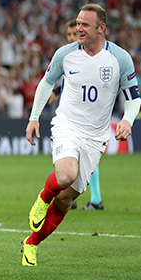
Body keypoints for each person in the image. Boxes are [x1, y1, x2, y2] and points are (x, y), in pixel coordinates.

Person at [23, 4, 141, 266]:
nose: (79, 28)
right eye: (78, 23)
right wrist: (33, 118)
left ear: (101, 28)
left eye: (85, 24)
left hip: (95, 137)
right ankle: (43, 198)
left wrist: (127, 120)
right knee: (65, 175)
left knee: (65, 200)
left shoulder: (120, 59)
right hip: (67, 124)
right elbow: (46, 83)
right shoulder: (65, 54)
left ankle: (31, 243)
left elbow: (133, 98)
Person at [50, 20, 105, 210]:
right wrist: (55, 93)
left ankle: (95, 199)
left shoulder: (92, 56)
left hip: (87, 115)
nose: (73, 38)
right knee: (70, 155)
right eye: (69, 35)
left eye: (76, 34)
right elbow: (67, 81)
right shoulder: (67, 55)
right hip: (71, 115)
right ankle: (73, 197)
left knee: (84, 155)